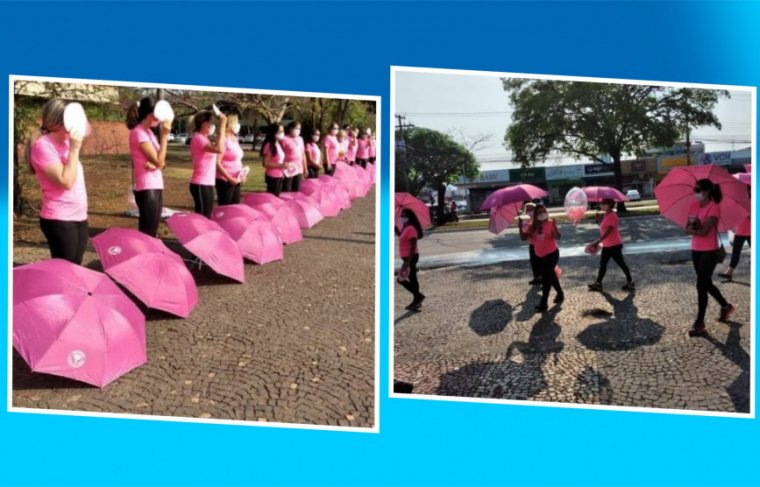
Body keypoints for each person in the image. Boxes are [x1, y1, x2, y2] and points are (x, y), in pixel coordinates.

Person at [27, 98, 88, 264]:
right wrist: (75, 149)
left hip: (79, 215)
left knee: (76, 270)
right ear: (58, 121)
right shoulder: (43, 146)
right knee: (65, 274)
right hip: (60, 218)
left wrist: (73, 146)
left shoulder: (67, 142)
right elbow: (66, 181)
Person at [684, 178, 735, 337]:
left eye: (698, 190)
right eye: (695, 189)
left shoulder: (714, 208)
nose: (695, 192)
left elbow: (704, 232)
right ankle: (726, 306)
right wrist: (695, 228)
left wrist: (695, 228)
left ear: (706, 192)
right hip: (696, 250)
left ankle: (700, 322)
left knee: (701, 284)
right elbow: (687, 228)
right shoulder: (693, 206)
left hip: (710, 251)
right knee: (706, 283)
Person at [127, 97, 170, 237]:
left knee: (153, 226)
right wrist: (164, 137)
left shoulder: (149, 133)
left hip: (156, 184)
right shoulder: (138, 132)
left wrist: (158, 163)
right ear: (151, 115)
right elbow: (159, 161)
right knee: (148, 230)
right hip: (146, 187)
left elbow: (162, 162)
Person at [587, 198, 634, 291]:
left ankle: (630, 282)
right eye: (601, 203)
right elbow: (603, 228)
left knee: (621, 263)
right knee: (603, 264)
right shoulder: (606, 215)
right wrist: (598, 221)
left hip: (614, 245)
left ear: (610, 204)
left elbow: (608, 232)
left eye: (604, 203)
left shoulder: (612, 216)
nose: (601, 205)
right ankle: (598, 284)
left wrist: (597, 242)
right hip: (607, 245)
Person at [523, 204, 563, 312]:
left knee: (546, 277)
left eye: (543, 212)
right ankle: (560, 293)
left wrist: (554, 228)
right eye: (539, 213)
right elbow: (524, 238)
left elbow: (558, 236)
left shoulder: (551, 222)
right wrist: (521, 227)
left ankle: (543, 302)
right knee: (551, 275)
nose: (542, 214)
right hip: (540, 255)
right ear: (536, 215)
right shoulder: (532, 225)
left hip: (552, 253)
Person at [189, 110, 227, 218]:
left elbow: (219, 146)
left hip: (208, 183)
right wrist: (222, 127)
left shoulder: (204, 138)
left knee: (207, 215)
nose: (212, 125)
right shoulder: (198, 138)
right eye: (211, 123)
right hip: (200, 183)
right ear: (204, 123)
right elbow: (219, 149)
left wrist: (221, 129)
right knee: (202, 216)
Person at [719, 186, 751, 281]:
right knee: (735, 253)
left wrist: (748, 214)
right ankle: (729, 273)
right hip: (740, 231)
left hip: (752, 232)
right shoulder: (738, 203)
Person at [397, 208, 425, 311]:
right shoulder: (406, 227)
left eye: (403, 215)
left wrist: (408, 262)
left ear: (409, 217)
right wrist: (396, 229)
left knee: (401, 279)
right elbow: (403, 238)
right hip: (407, 257)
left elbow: (413, 246)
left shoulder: (411, 228)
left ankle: (418, 296)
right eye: (401, 215)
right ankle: (417, 300)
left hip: (411, 257)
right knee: (413, 278)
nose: (401, 217)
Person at [215, 109, 244, 206]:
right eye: (236, 122)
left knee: (235, 208)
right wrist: (229, 178)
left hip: (236, 180)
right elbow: (217, 162)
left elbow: (238, 159)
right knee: (225, 208)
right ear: (230, 123)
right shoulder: (224, 139)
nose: (238, 124)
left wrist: (242, 174)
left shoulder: (234, 139)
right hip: (225, 181)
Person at [518, 202, 541, 286]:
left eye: (531, 209)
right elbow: (523, 238)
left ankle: (545, 278)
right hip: (532, 244)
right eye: (527, 210)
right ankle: (537, 277)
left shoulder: (540, 219)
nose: (529, 211)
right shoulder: (525, 221)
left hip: (542, 245)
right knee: (533, 261)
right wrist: (520, 226)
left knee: (541, 262)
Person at [261, 123, 287, 196]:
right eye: (280, 131)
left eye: (283, 131)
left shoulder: (279, 144)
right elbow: (265, 163)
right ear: (274, 132)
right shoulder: (269, 145)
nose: (282, 133)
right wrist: (280, 165)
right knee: (273, 198)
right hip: (273, 176)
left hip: (280, 175)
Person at [281, 121, 307, 192]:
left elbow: (303, 154)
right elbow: (280, 154)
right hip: (289, 169)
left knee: (297, 189)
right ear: (290, 129)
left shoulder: (300, 139)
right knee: (287, 189)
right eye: (296, 128)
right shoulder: (284, 139)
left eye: (299, 129)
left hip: (299, 168)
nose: (298, 130)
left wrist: (305, 168)